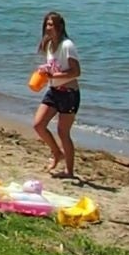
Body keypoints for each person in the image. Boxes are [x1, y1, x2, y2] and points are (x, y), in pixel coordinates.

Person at [33, 11, 81, 178]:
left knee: (63, 132)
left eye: (52, 25)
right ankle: (57, 153)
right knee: (39, 125)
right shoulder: (48, 44)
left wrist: (54, 76)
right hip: (53, 91)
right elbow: (55, 65)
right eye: (46, 24)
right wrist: (45, 69)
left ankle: (69, 171)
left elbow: (76, 72)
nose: (48, 28)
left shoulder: (67, 45)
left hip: (69, 93)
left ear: (60, 27)